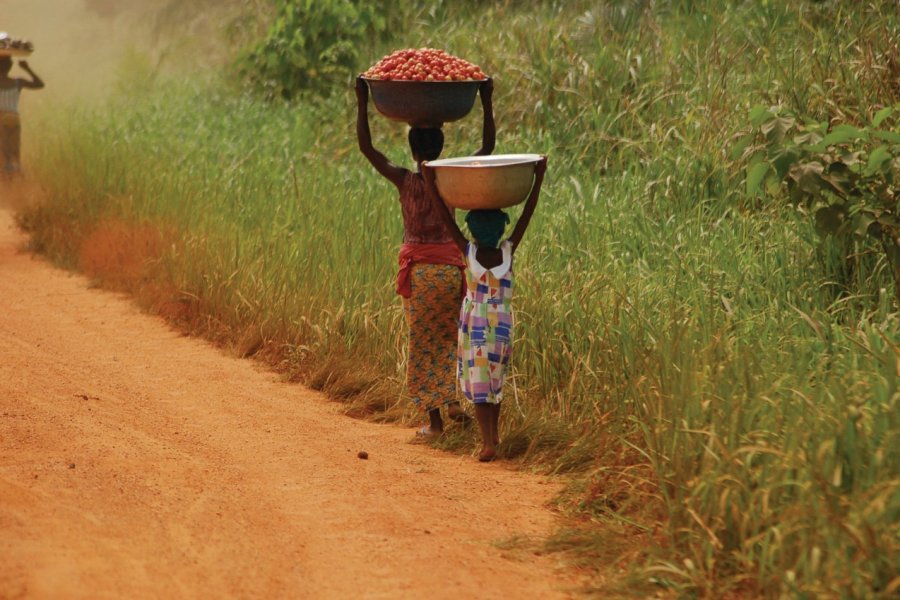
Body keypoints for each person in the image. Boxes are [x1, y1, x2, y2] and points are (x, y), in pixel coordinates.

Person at [355, 75, 496, 437]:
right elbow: (487, 149)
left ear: (413, 150)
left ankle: (434, 423)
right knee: (451, 337)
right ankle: (452, 402)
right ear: (442, 145)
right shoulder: (451, 179)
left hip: (420, 273)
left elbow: (368, 150)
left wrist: (362, 100)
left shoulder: (406, 180)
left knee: (424, 345)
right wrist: (486, 99)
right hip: (451, 272)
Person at [422, 156, 547, 461]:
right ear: (500, 228)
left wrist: (430, 182)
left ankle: (487, 442)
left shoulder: (469, 252)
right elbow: (526, 216)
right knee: (495, 380)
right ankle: (495, 436)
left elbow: (445, 217)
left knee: (480, 385)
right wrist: (538, 178)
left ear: (474, 230)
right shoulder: (508, 251)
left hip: (476, 323)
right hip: (501, 322)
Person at [0, 57, 44, 177]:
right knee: (14, 149)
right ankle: (16, 173)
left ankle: (5, 177)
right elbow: (39, 84)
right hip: (14, 120)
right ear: (10, 66)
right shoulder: (18, 82)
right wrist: (27, 68)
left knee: (2, 150)